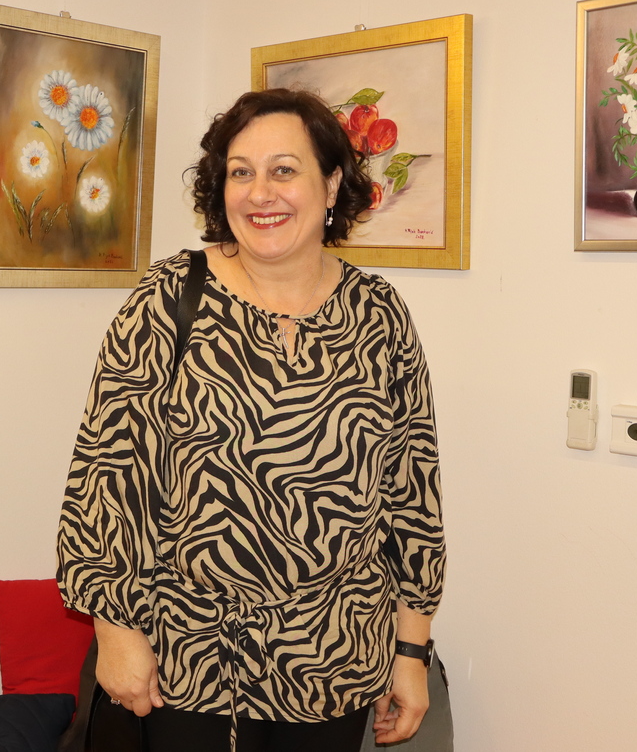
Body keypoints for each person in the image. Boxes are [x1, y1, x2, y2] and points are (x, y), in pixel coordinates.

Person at [57, 88, 445, 752]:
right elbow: (106, 476)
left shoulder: (379, 314)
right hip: (188, 665)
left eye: (284, 170)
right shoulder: (169, 299)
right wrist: (115, 631)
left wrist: (410, 651)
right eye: (241, 172)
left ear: (331, 184)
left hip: (337, 660)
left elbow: (412, 494)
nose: (260, 193)